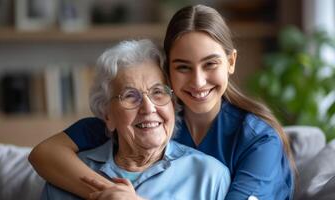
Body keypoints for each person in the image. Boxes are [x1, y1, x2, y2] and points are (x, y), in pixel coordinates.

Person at [29, 4, 295, 200]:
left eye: (210, 64)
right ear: (167, 71)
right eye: (183, 67)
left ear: (231, 62)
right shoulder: (135, 123)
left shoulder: (258, 140)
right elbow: (44, 154)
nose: (199, 81)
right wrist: (107, 192)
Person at [41, 39, 231, 200]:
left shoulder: (209, 176)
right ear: (108, 115)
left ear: (173, 104)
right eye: (130, 96)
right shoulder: (67, 176)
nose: (148, 108)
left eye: (158, 92)